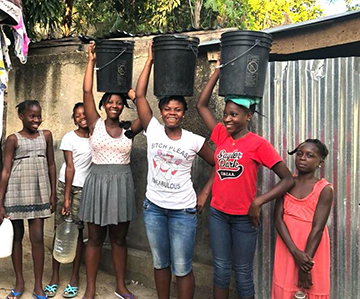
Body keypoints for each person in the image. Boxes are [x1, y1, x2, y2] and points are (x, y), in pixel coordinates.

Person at [196, 60, 294, 299]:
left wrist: (259, 202)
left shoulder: (258, 144)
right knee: (220, 270)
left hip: (244, 219)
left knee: (242, 272)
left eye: (234, 115)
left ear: (248, 116)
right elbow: (201, 105)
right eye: (226, 114)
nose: (227, 119)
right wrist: (218, 71)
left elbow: (288, 179)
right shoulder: (220, 134)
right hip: (218, 213)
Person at [135, 43, 215, 299]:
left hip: (183, 211)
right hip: (154, 208)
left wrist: (204, 195)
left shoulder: (193, 140)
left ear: (183, 114)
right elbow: (139, 96)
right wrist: (149, 61)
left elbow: (219, 164)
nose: (171, 113)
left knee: (182, 267)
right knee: (160, 262)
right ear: (161, 112)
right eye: (167, 109)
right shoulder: (153, 129)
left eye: (177, 110)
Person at [80, 42, 142, 299]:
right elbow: (86, 90)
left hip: (121, 184)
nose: (115, 105)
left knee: (119, 239)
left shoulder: (130, 128)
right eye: (110, 102)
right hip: (97, 182)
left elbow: (148, 117)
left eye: (119, 102)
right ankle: (91, 288)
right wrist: (91, 61)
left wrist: (134, 96)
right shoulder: (95, 124)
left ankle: (120, 285)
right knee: (95, 239)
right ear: (104, 105)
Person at [0, 100, 56, 299]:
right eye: (32, 116)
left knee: (37, 238)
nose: (37, 120)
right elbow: (5, 171)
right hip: (16, 192)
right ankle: (19, 282)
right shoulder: (13, 139)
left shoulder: (46, 136)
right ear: (21, 116)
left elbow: (51, 165)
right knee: (17, 237)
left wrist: (53, 193)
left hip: (39, 192)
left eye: (39, 115)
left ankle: (38, 285)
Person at [272, 139, 333, 299]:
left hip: (312, 252)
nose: (302, 158)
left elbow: (318, 228)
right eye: (299, 154)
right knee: (285, 289)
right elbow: (278, 219)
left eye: (309, 155)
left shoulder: (324, 189)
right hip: (288, 246)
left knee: (308, 291)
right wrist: (295, 253)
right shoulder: (287, 183)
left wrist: (305, 265)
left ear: (320, 162)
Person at [44, 102, 91, 298]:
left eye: (85, 114)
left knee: (78, 232)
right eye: (78, 115)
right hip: (67, 186)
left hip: (83, 189)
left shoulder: (95, 137)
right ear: (74, 118)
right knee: (60, 229)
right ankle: (54, 276)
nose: (82, 118)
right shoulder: (69, 138)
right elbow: (69, 167)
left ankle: (74, 278)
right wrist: (65, 198)